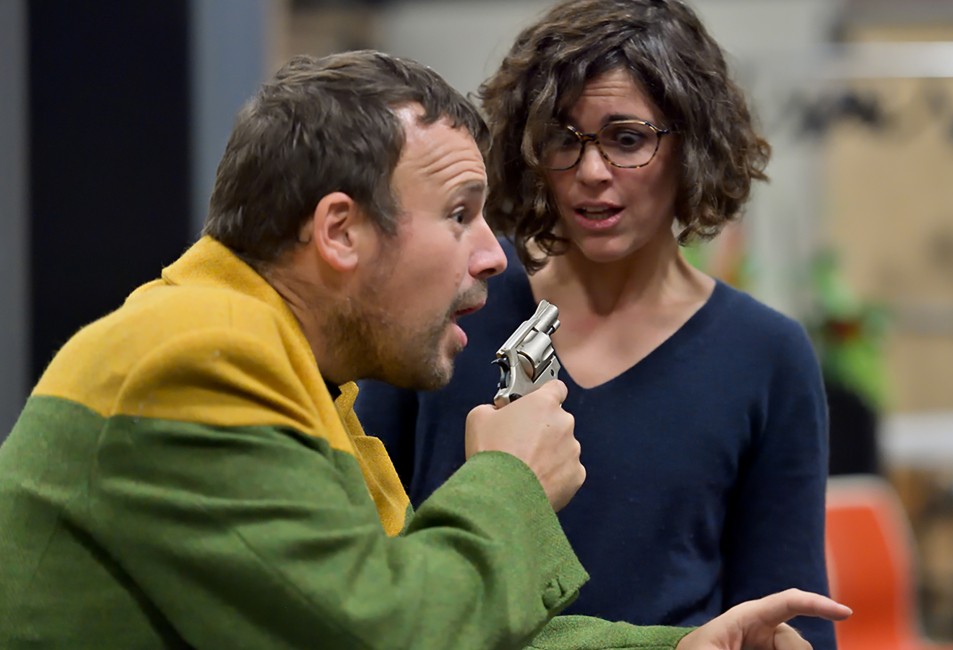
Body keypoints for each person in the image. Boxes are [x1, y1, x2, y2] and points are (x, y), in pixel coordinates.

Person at [0, 50, 848, 649]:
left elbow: (428, 610)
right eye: (458, 214)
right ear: (339, 231)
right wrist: (509, 485)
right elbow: (395, 634)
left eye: (627, 140)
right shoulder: (201, 358)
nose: (492, 253)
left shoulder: (301, 377)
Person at [357, 1, 836, 647]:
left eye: (627, 139)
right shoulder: (452, 305)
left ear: (690, 145)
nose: (590, 171)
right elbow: (362, 557)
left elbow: (785, 610)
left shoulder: (764, 354)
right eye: (563, 139)